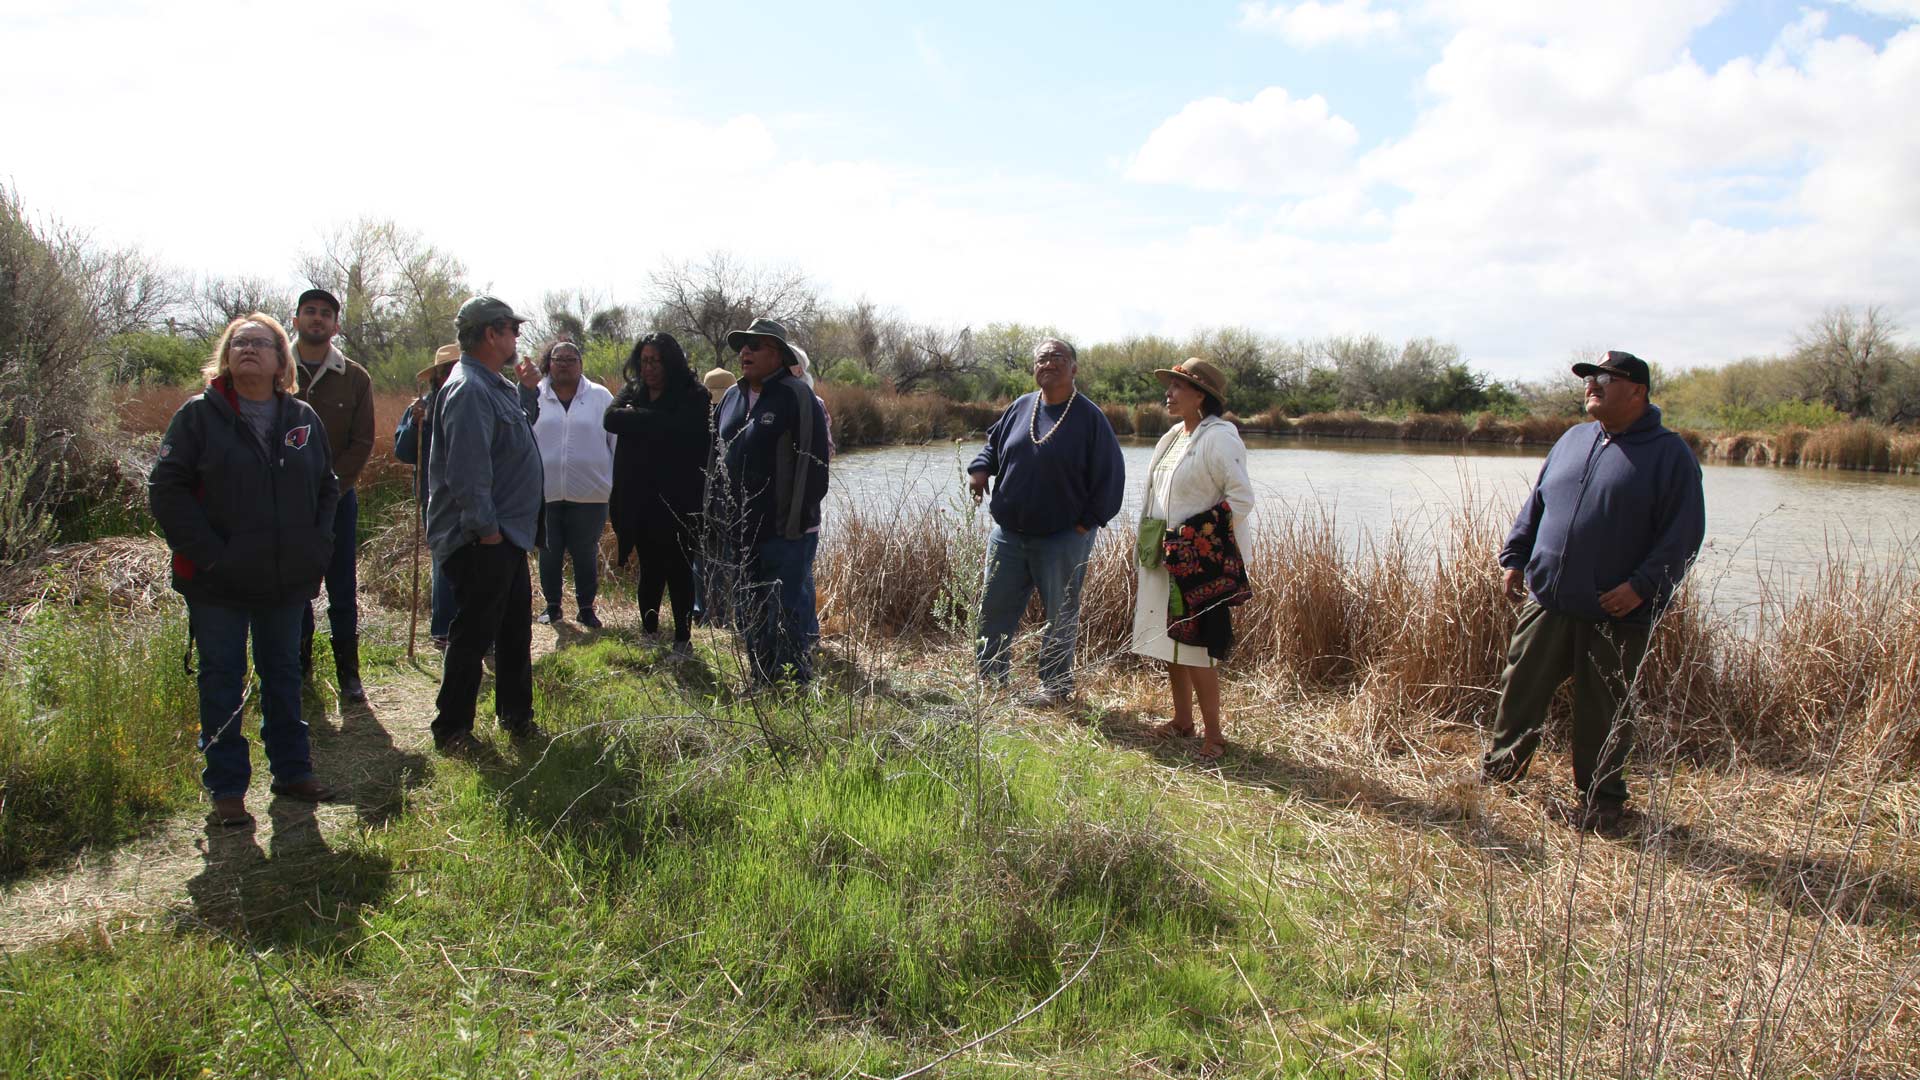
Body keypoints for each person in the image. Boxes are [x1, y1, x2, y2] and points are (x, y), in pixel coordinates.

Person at [1480, 350, 1706, 835]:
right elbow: (1537, 502)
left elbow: (1683, 536)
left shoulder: (1670, 455)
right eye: (1589, 378)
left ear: (1638, 391)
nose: (1592, 385)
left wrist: (1641, 588)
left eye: (1605, 378)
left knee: (1603, 707)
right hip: (1548, 600)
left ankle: (1602, 801)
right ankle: (1501, 775)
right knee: (1521, 689)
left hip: (1615, 610)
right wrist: (1515, 556)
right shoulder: (1573, 439)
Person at [149, 314, 338, 827]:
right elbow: (166, 491)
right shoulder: (197, 417)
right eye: (240, 343)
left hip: (285, 581)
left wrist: (316, 548)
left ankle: (293, 771)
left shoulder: (301, 417)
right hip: (217, 583)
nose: (249, 349)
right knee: (221, 680)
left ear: (282, 361)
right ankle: (228, 790)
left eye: (261, 343)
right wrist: (211, 554)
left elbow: (327, 486)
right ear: (226, 357)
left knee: (283, 674)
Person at [966, 337, 1125, 706]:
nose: (1048, 363)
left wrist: (1086, 524)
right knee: (993, 610)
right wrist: (979, 470)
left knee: (1060, 617)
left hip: (1062, 539)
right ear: (1033, 368)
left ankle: (1054, 689)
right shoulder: (1021, 406)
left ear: (1074, 368)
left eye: (1058, 357)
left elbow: (1111, 477)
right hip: (1008, 536)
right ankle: (992, 681)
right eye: (1042, 358)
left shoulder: (1090, 418)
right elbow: (993, 444)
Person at [427, 296, 545, 754]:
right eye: (512, 330)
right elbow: (467, 472)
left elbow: (514, 437)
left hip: (505, 536)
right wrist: (487, 530)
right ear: (492, 333)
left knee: (515, 629)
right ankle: (451, 729)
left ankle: (516, 717)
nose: (517, 338)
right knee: (474, 634)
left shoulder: (493, 385)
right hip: (482, 538)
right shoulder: (469, 390)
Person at [1131, 359, 1255, 761]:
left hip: (1198, 566)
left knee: (1199, 647)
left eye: (1178, 386)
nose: (1168, 392)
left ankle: (1215, 737)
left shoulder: (1220, 438)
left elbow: (1241, 499)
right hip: (1164, 556)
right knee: (1172, 640)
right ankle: (1183, 721)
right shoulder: (1171, 437)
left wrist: (1193, 540)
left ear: (1201, 395)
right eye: (1168, 385)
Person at [712, 317, 830, 684]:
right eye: (742, 346)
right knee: (749, 611)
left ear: (778, 354)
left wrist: (793, 522)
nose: (745, 352)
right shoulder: (730, 397)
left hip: (787, 532)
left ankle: (794, 689)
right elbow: (716, 459)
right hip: (741, 532)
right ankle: (762, 681)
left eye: (755, 345)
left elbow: (816, 467)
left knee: (787, 613)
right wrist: (717, 516)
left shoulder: (796, 395)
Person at [289, 287, 375, 702]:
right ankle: (299, 670)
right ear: (296, 320)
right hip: (283, 503)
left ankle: (349, 676)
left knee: (342, 588)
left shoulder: (355, 377)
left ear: (336, 325)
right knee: (293, 587)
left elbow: (361, 443)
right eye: (310, 312)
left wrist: (330, 490)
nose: (317, 319)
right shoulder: (275, 369)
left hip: (338, 501)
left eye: (325, 313)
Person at [604, 332, 712, 654]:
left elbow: (683, 428)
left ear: (671, 362)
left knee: (679, 571)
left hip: (679, 500)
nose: (649, 368)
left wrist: (637, 419)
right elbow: (610, 418)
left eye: (656, 361)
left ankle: (682, 639)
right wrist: (657, 421)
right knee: (650, 570)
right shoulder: (633, 390)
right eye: (645, 360)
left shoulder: (694, 394)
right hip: (639, 500)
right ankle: (649, 634)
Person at [530, 338, 616, 627]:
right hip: (545, 492)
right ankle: (552, 607)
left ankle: (586, 609)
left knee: (585, 553)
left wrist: (615, 484)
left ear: (581, 364)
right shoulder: (535, 394)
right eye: (558, 359)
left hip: (591, 494)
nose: (564, 364)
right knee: (549, 552)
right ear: (548, 363)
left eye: (571, 359)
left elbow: (615, 442)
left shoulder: (600, 396)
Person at [394, 343, 461, 648]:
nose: (449, 375)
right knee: (443, 559)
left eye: (455, 368)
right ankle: (444, 630)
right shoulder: (420, 407)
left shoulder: (472, 401)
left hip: (473, 493)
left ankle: (475, 627)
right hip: (433, 496)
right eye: (445, 370)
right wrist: (414, 425)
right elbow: (405, 452)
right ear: (435, 376)